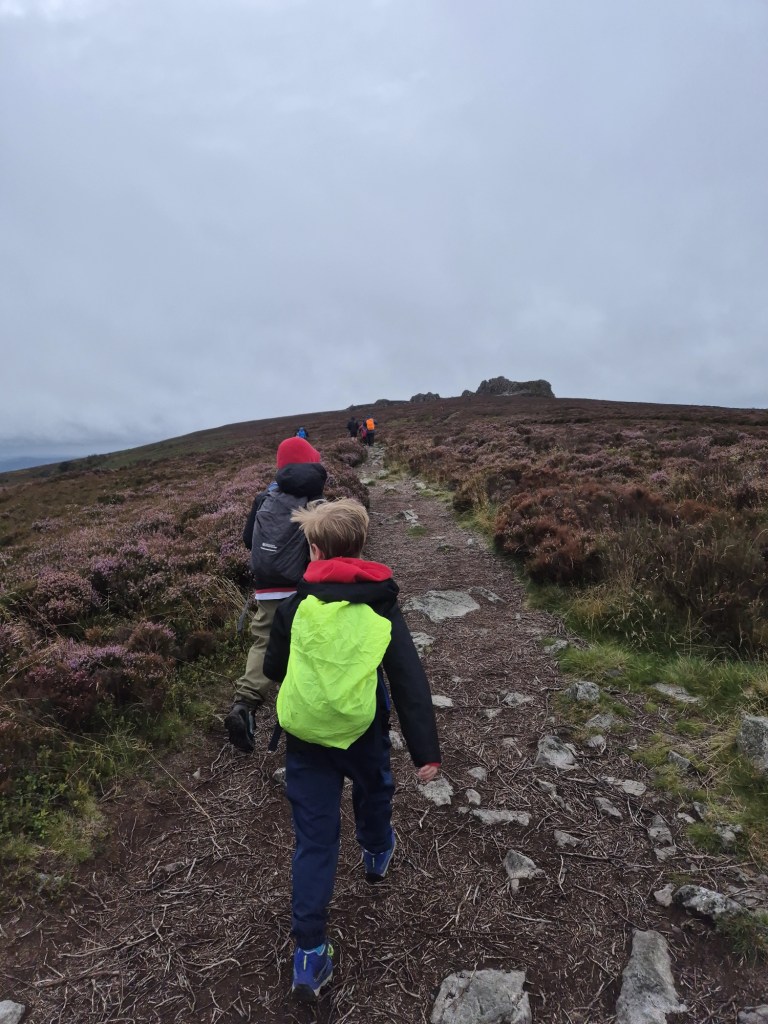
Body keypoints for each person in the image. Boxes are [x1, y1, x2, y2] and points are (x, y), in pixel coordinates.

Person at [263, 498, 441, 1002]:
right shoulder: (381, 603)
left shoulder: (296, 604)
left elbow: (275, 669)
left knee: (314, 842)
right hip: (363, 732)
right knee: (374, 787)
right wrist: (425, 752)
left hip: (305, 738)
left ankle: (310, 955)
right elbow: (407, 678)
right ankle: (377, 850)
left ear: (314, 550)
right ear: (361, 546)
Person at [224, 437, 327, 753]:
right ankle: (311, 714)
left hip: (267, 587)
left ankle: (244, 705)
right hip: (303, 586)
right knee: (311, 643)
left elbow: (247, 541)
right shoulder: (316, 499)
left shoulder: (263, 498)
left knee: (264, 642)